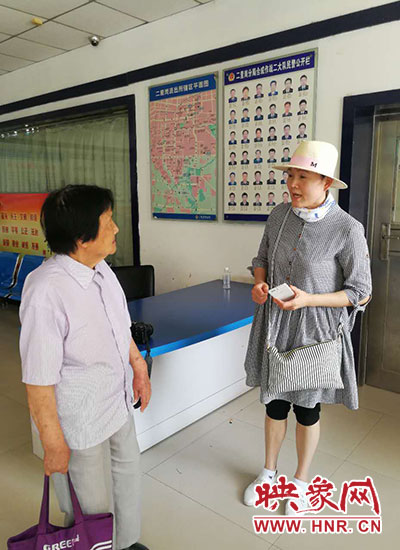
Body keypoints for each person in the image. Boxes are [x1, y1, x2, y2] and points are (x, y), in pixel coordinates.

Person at [243, 140, 372, 515]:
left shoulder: (347, 229)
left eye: (303, 177)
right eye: (291, 176)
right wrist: (260, 283)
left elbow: (361, 292)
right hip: (275, 325)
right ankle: (269, 473)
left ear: (326, 182)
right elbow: (261, 258)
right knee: (274, 404)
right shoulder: (279, 215)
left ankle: (300, 482)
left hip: (314, 332)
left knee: (307, 409)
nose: (293, 184)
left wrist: (308, 299)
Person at [20, 185, 151, 550]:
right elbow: (38, 379)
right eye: (107, 221)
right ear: (81, 237)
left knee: (128, 475)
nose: (116, 228)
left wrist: (138, 368)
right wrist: (52, 443)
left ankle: (126, 543)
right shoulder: (45, 291)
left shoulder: (101, 269)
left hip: (116, 399)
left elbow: (120, 327)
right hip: (79, 418)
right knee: (88, 504)